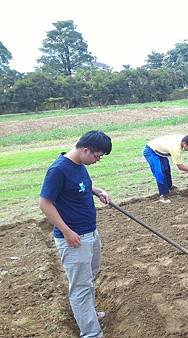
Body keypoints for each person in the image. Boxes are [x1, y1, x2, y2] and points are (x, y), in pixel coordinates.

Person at [39, 130, 113, 338]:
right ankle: (91, 333)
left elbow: (79, 187)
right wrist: (67, 231)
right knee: (80, 286)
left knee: (89, 277)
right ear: (85, 150)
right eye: (97, 156)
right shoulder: (58, 170)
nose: (97, 161)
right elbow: (44, 203)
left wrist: (97, 191)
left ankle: (89, 314)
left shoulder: (79, 164)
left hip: (90, 232)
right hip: (74, 239)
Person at [143, 134, 188, 203]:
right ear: (184, 144)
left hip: (160, 150)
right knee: (159, 172)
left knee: (166, 169)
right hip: (151, 151)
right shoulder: (175, 148)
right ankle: (163, 195)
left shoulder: (185, 139)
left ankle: (169, 187)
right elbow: (181, 167)